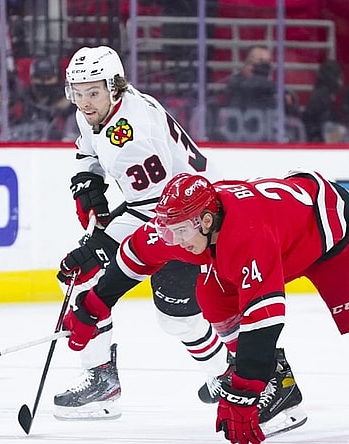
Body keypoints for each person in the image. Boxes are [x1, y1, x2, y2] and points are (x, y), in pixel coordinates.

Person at [63, 170, 349, 444]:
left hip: (333, 238)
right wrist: (91, 311)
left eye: (180, 230)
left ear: (205, 219)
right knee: (211, 292)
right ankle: (280, 390)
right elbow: (134, 259)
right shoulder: (186, 224)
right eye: (169, 229)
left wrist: (243, 391)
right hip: (288, 228)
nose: (172, 239)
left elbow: (267, 324)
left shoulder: (246, 237)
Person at [52, 45, 234, 420]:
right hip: (168, 209)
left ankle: (226, 375)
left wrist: (101, 245)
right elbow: (88, 147)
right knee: (84, 278)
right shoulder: (104, 108)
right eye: (77, 91)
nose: (84, 102)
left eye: (93, 92)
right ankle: (102, 381)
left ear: (114, 87)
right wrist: (87, 180)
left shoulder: (132, 136)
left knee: (176, 315)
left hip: (199, 222)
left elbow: (159, 211)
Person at [8, 57, 74, 141]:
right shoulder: (23, 99)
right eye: (39, 78)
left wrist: (67, 108)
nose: (44, 82)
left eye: (48, 78)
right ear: (31, 79)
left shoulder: (68, 100)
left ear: (57, 79)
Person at [302, 59, 346, 143]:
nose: (342, 83)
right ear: (332, 79)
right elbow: (328, 130)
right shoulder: (323, 100)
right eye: (340, 78)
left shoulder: (319, 96)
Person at [224, 45, 275, 110]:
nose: (266, 65)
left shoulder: (271, 87)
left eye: (268, 61)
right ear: (247, 62)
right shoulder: (235, 83)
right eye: (261, 60)